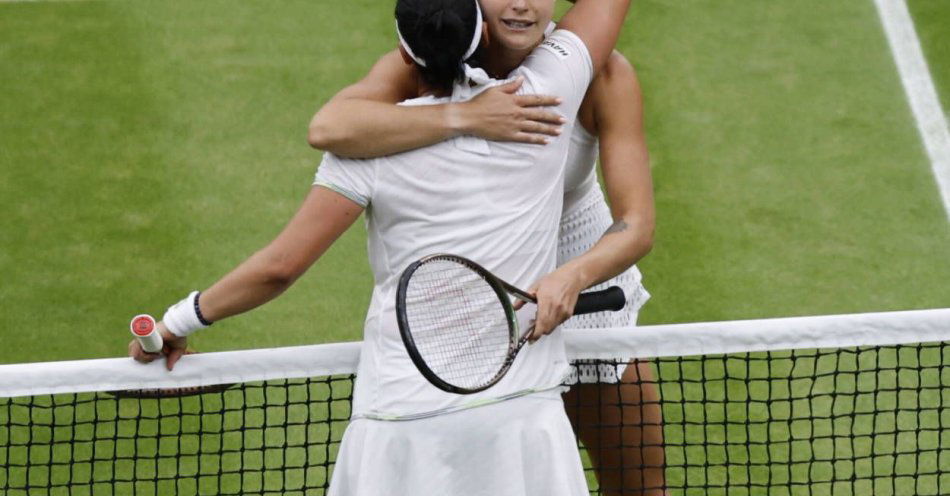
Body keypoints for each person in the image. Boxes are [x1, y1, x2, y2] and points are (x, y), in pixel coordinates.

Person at [128, 0, 632, 494]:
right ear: (482, 30)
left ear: (403, 54)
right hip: (521, 420)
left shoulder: (360, 151)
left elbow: (278, 269)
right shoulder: (548, 96)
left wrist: (177, 322)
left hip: (398, 423)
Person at [307, 1, 664, 493]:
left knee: (638, 488)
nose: (520, 3)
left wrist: (574, 274)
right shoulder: (431, 60)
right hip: (481, 310)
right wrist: (468, 116)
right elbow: (329, 127)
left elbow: (636, 224)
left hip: (591, 290)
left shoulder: (600, 73)